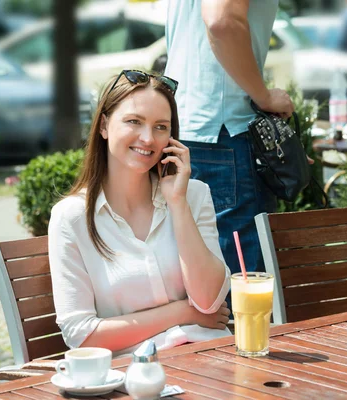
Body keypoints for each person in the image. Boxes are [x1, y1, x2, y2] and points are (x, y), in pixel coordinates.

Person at [48, 70, 231, 357]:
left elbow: (208, 302)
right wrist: (183, 312)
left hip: (212, 357)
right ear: (104, 125)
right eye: (134, 122)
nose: (148, 139)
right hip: (135, 373)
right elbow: (81, 336)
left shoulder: (193, 195)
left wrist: (178, 203)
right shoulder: (71, 217)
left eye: (161, 127)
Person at [164, 0, 295, 296]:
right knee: (243, 296)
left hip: (185, 127)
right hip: (224, 133)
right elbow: (221, 21)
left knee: (195, 286)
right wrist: (263, 97)